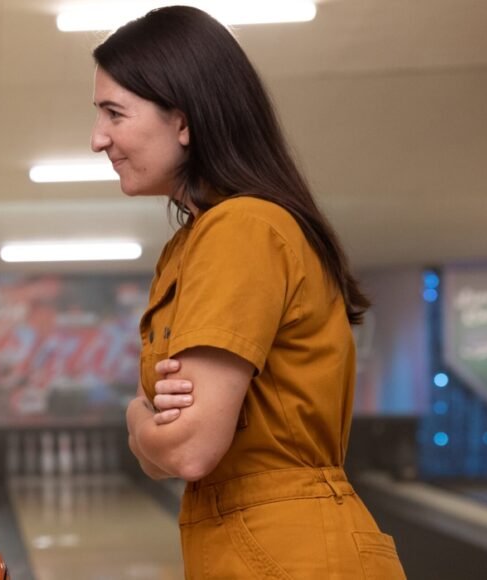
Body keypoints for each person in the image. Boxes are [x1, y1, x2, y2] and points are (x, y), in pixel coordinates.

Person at [90, 6, 407, 579]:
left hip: (288, 550)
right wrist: (152, 423)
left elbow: (189, 448)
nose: (98, 139)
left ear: (183, 121)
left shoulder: (241, 229)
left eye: (115, 113)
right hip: (256, 543)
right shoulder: (195, 244)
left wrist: (137, 420)